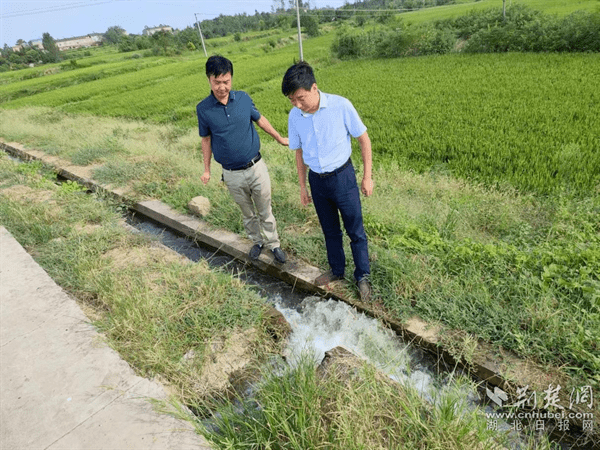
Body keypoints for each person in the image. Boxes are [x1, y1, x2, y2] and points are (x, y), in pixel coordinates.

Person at [281, 61, 373, 302]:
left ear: (314, 88)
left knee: (355, 230)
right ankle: (337, 270)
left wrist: (367, 177)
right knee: (330, 230)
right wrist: (302, 186)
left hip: (343, 177)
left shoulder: (340, 106)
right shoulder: (295, 116)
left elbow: (364, 139)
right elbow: (298, 152)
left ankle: (363, 276)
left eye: (300, 98)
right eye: (292, 100)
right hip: (317, 181)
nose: (297, 104)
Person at [196, 55, 288, 263]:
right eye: (217, 82)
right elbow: (206, 139)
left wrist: (280, 138)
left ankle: (274, 244)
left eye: (226, 81)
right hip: (231, 174)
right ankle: (257, 242)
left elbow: (261, 120)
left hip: (256, 167)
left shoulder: (244, 99)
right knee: (247, 213)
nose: (222, 87)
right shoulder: (203, 109)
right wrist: (207, 169)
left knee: (265, 210)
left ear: (231, 79)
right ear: (209, 79)